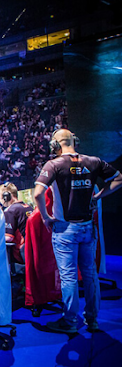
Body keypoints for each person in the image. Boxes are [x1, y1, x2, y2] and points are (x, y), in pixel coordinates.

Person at [34, 128, 122, 333]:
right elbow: (119, 179)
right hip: (87, 227)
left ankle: (70, 322)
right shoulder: (94, 161)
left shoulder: (53, 165)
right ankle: (92, 320)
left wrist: (45, 217)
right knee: (90, 275)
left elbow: (38, 193)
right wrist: (97, 196)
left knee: (69, 277)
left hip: (65, 230)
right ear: (75, 141)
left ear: (55, 145)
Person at [0, 182, 33, 265]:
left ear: (6, 197)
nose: (0, 201)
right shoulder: (28, 207)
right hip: (34, 246)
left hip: (23, 252)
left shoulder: (10, 211)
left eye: (0, 198)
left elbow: (8, 238)